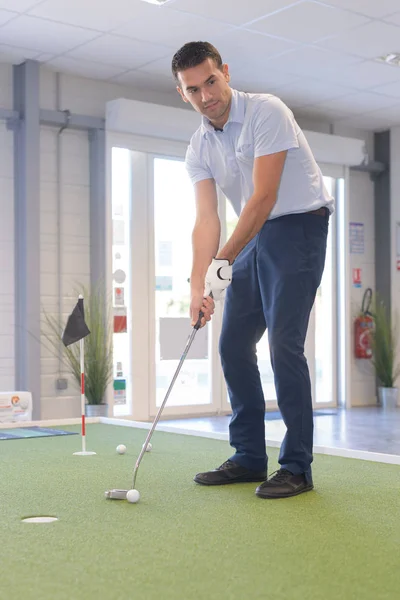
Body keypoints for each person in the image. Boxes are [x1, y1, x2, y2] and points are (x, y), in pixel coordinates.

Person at [171, 41, 334, 499]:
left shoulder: (267, 112)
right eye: (193, 89)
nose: (206, 95)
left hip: (298, 226)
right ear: (182, 94)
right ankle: (247, 456)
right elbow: (206, 220)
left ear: (225, 72)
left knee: (285, 344)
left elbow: (263, 197)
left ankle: (297, 466)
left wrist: (223, 261)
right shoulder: (199, 145)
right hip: (252, 235)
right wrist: (197, 285)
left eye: (211, 81)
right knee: (233, 343)